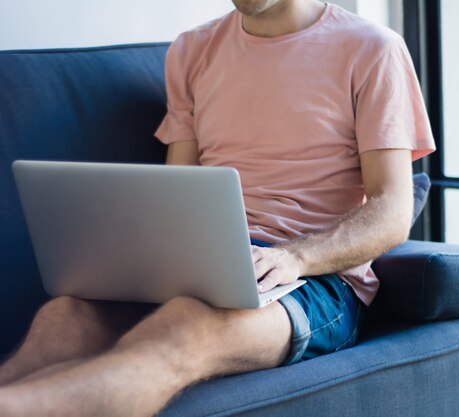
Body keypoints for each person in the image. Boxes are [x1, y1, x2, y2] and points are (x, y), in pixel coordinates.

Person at [0, 0, 435, 415]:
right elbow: (175, 192)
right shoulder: (193, 49)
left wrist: (294, 257)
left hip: (313, 279)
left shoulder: (373, 48)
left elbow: (391, 209)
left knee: (185, 324)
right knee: (66, 314)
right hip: (205, 259)